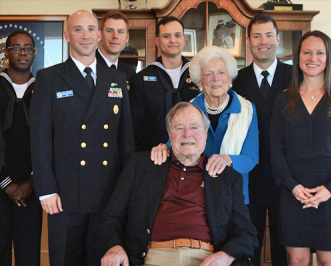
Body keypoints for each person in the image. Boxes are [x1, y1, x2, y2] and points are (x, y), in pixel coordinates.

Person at [30, 10, 134, 265]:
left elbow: (126, 139)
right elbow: (40, 138)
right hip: (65, 195)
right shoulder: (49, 78)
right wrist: (45, 189)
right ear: (67, 35)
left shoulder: (117, 79)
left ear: (99, 35)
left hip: (108, 194)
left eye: (90, 29)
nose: (85, 36)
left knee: (104, 260)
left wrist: (129, 189)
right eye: (78, 29)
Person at [100, 102, 258, 266]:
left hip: (206, 259)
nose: (187, 134)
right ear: (169, 134)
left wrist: (224, 257)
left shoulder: (227, 177)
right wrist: (114, 247)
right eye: (179, 128)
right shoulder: (141, 166)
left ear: (205, 134)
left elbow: (246, 233)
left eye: (195, 127)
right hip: (154, 257)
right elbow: (111, 218)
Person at [270, 30, 331, 265]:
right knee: (297, 260)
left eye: (320, 52)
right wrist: (292, 186)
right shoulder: (283, 98)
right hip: (294, 191)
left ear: (329, 57)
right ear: (298, 57)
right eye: (307, 52)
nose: (313, 58)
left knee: (329, 261)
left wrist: (330, 189)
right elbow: (275, 149)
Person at [151, 46, 259, 205]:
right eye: (208, 74)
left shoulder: (247, 109)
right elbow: (173, 144)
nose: (216, 78)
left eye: (221, 72)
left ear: (229, 78)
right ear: (199, 81)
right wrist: (163, 148)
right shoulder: (189, 108)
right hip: (195, 194)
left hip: (233, 194)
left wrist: (227, 159)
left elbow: (250, 157)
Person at [232, 13, 292, 266]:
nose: (263, 41)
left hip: (287, 175)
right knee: (248, 240)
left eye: (269, 35)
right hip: (248, 175)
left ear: (278, 39)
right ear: (249, 41)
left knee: (284, 242)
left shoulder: (296, 76)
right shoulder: (235, 79)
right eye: (257, 36)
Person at [0, 30, 42, 266]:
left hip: (32, 189)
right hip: (0, 185)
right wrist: (5, 183)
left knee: (29, 255)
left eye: (27, 48)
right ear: (7, 52)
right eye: (16, 47)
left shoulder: (44, 90)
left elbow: (50, 139)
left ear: (34, 54)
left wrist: (32, 182)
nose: (22, 52)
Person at [130, 16, 200, 152]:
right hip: (153, 156)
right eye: (166, 36)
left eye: (177, 35)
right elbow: (135, 126)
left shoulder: (199, 75)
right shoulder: (141, 79)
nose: (172, 40)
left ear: (184, 40)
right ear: (157, 41)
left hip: (193, 155)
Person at [96, 10, 136, 91]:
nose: (115, 36)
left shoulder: (129, 73)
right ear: (100, 35)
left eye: (120, 32)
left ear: (127, 38)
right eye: (109, 31)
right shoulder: (88, 67)